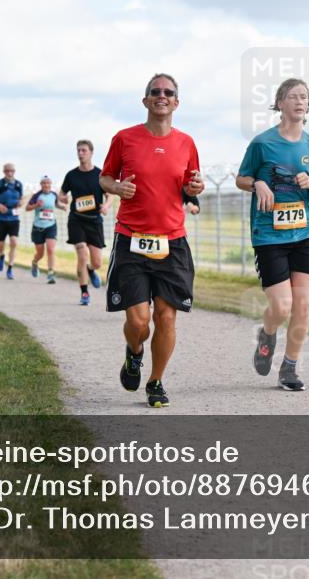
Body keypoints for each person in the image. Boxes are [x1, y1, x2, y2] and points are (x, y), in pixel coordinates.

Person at [100, 73, 203, 408]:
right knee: (138, 320)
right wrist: (117, 188)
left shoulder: (186, 142)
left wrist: (195, 188)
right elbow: (105, 177)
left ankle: (156, 381)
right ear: (145, 101)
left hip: (171, 241)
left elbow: (190, 183)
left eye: (168, 92)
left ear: (176, 102)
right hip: (132, 238)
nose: (162, 96)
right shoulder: (124, 139)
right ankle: (134, 352)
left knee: (166, 316)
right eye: (155, 92)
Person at [236, 78, 309, 391]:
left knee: (303, 305)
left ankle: (289, 368)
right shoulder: (262, 143)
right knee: (282, 307)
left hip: (304, 233)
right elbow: (241, 178)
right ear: (280, 103)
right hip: (269, 236)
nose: (299, 101)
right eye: (292, 96)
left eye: (304, 97)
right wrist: (257, 184)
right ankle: (267, 333)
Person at [60, 141, 112, 305]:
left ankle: (91, 270)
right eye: (78, 150)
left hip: (94, 221)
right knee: (82, 254)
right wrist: (62, 199)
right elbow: (62, 194)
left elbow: (110, 194)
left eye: (84, 150)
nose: (81, 153)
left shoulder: (100, 174)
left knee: (96, 262)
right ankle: (84, 293)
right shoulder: (71, 175)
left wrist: (106, 205)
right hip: (76, 219)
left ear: (91, 153)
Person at [0, 163, 24, 280]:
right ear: (3, 171)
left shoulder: (18, 184)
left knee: (14, 242)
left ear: (14, 171)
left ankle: (10, 268)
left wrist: (21, 203)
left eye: (12, 171)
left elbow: (21, 198)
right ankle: (2, 255)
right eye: (7, 171)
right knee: (1, 243)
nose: (9, 173)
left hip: (14, 218)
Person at [26, 175, 67, 284]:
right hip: (38, 227)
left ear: (50, 184)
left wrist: (62, 207)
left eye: (48, 183)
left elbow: (56, 204)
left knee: (50, 249)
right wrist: (36, 205)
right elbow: (27, 208)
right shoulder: (36, 195)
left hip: (51, 225)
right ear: (41, 184)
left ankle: (50, 273)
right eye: (44, 183)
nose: (46, 185)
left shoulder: (53, 194)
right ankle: (35, 262)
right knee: (40, 253)